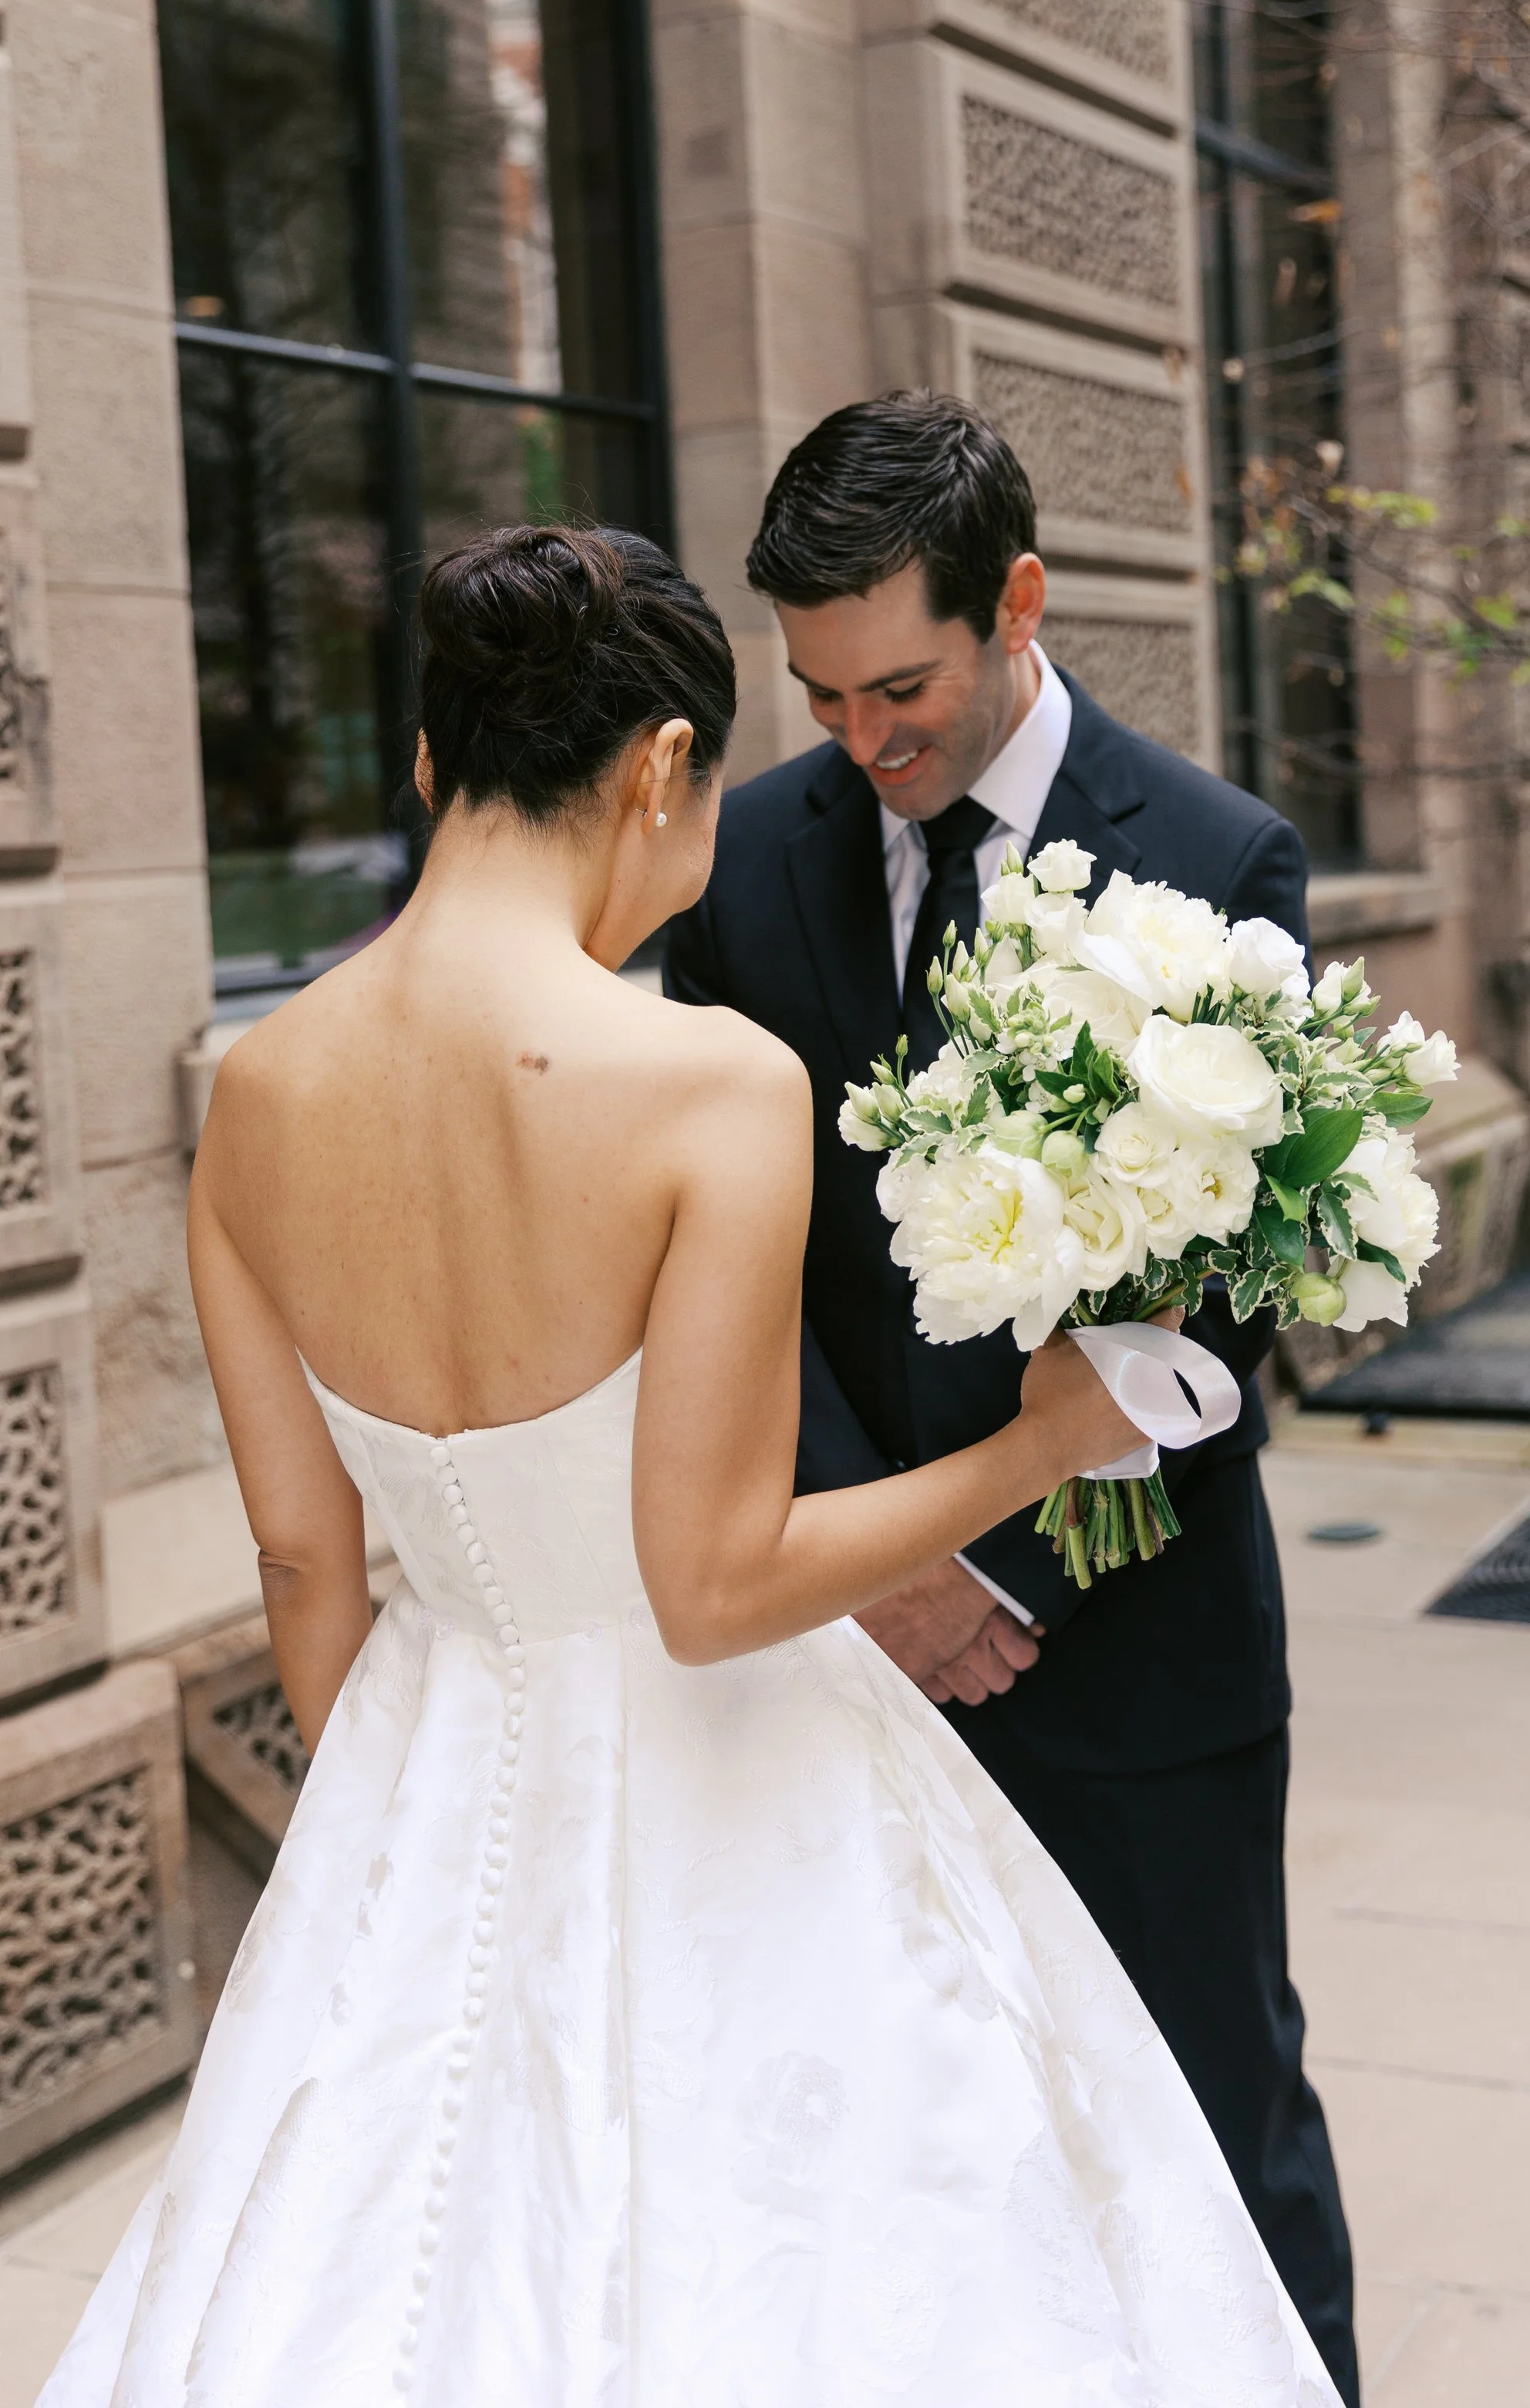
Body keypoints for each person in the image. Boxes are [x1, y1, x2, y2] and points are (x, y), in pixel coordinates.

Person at [39, 521, 1343, 2408]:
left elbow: (305, 1565)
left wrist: (381, 1855)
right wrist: (1043, 1445)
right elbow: (713, 1583)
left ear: (429, 763)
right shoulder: (710, 1084)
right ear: (657, 769)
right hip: (730, 1774)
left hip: (426, 1748)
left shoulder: (256, 1094)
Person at [666, 391, 1359, 2406]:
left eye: (902, 686)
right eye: (820, 698)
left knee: (1214, 2138)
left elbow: (1223, 1315)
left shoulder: (1219, 856)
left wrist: (1003, 1575)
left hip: (1136, 1659)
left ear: (1018, 604)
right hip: (848, 1656)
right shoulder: (750, 857)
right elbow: (732, 1255)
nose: (864, 743)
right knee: (923, 2165)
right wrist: (871, 1557)